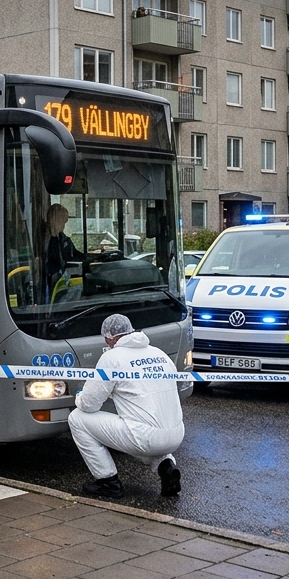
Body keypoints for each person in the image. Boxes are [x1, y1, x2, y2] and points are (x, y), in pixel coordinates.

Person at [68, 314, 183, 498]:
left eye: (105, 338)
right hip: (176, 436)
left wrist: (80, 396)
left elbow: (89, 404)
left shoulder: (112, 358)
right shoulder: (158, 353)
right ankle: (166, 467)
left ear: (110, 336)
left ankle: (108, 482)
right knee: (144, 429)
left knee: (77, 418)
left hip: (145, 438)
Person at [44, 203, 83, 298]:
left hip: (62, 280)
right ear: (55, 220)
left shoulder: (63, 238)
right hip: (49, 282)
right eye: (63, 222)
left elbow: (74, 254)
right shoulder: (44, 240)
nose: (64, 226)